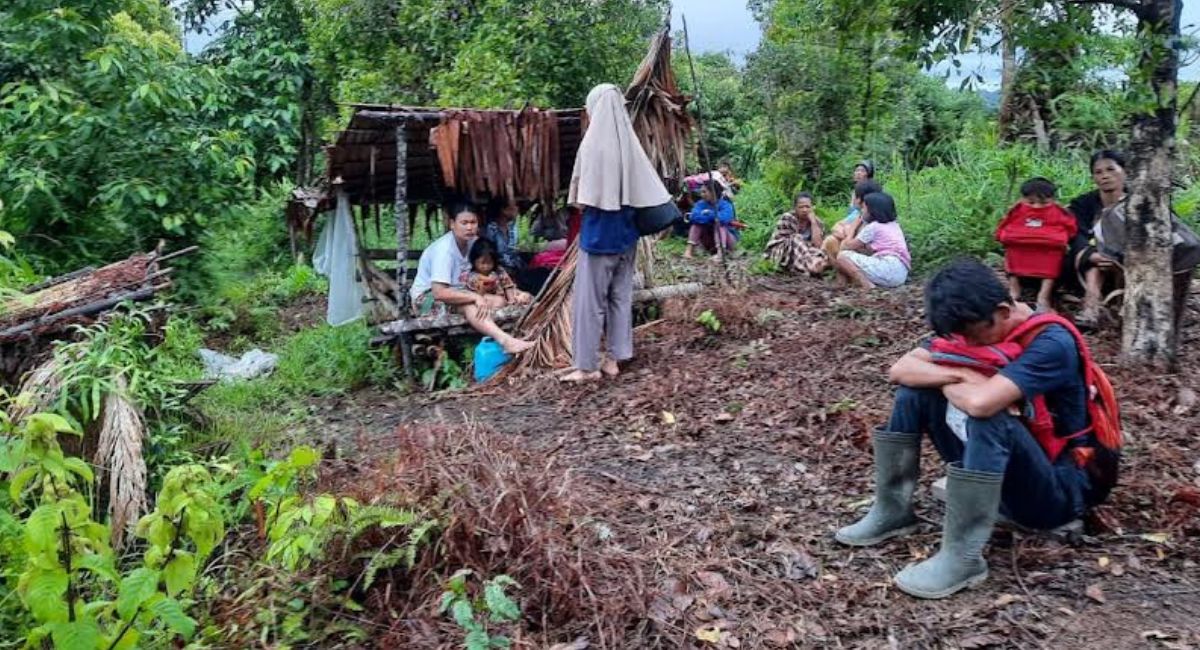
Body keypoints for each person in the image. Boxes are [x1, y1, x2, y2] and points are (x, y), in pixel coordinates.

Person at [836, 258, 1118, 599]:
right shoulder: (970, 323)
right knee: (914, 392)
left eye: (972, 336)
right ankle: (892, 508)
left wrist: (950, 380)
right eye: (960, 337)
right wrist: (960, 375)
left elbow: (981, 404)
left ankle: (963, 558)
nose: (967, 345)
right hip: (1008, 477)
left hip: (1058, 492)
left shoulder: (1051, 342)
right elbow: (901, 369)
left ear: (1002, 312)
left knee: (989, 416)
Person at [559, 83, 672, 383]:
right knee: (620, 297)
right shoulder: (630, 144)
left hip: (599, 236)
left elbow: (582, 199)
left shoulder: (592, 145)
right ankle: (614, 358)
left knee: (589, 302)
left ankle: (587, 366)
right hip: (627, 234)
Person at [409, 202, 534, 355]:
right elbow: (439, 293)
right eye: (464, 223)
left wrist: (516, 293)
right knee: (470, 305)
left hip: (461, 292)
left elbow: (495, 271)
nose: (469, 227)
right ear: (452, 224)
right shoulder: (444, 250)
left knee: (499, 301)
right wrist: (475, 297)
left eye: (473, 222)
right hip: (427, 299)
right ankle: (506, 341)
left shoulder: (474, 243)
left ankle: (515, 336)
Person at [995, 177, 1077, 313]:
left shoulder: (1058, 211)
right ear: (1023, 199)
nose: (1036, 207)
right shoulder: (1017, 209)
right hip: (1019, 247)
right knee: (1011, 253)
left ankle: (1044, 296)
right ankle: (1014, 290)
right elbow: (1004, 225)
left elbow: (1071, 228)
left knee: (1054, 258)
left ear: (1052, 200)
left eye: (1043, 203)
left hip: (1049, 250)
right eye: (1031, 202)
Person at [833, 191, 910, 289]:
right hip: (901, 274)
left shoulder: (873, 227)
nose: (862, 211)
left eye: (864, 208)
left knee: (842, 256)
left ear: (872, 211)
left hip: (887, 269)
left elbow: (846, 246)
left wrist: (852, 228)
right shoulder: (895, 225)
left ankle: (867, 285)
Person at [765, 191, 827, 275]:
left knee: (821, 252)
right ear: (795, 208)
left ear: (812, 207)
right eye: (801, 207)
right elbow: (789, 242)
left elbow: (818, 245)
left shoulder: (817, 222)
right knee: (796, 238)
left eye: (807, 207)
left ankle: (814, 265)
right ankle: (811, 266)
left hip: (805, 252)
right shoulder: (788, 217)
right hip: (783, 251)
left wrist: (813, 223)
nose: (804, 210)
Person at [822, 179, 882, 261]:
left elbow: (847, 245)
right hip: (854, 248)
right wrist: (847, 231)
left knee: (838, 248)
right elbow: (836, 227)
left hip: (870, 257)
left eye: (855, 196)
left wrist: (850, 231)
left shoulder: (875, 220)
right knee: (831, 240)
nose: (854, 199)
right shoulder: (858, 214)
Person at [459, 237, 529, 305]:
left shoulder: (499, 270)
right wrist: (487, 282)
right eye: (482, 263)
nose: (486, 266)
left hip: (503, 295)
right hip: (483, 298)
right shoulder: (472, 275)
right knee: (499, 301)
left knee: (526, 296)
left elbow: (508, 286)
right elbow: (478, 293)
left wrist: (512, 300)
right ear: (474, 261)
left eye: (489, 263)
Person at [685, 181, 738, 260]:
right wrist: (711, 218)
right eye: (701, 192)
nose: (701, 194)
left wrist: (710, 214)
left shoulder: (726, 205)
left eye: (704, 192)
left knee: (719, 225)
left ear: (713, 192)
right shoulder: (700, 204)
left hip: (727, 240)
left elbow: (724, 219)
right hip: (709, 240)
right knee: (696, 224)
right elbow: (693, 217)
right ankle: (689, 251)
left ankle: (721, 253)